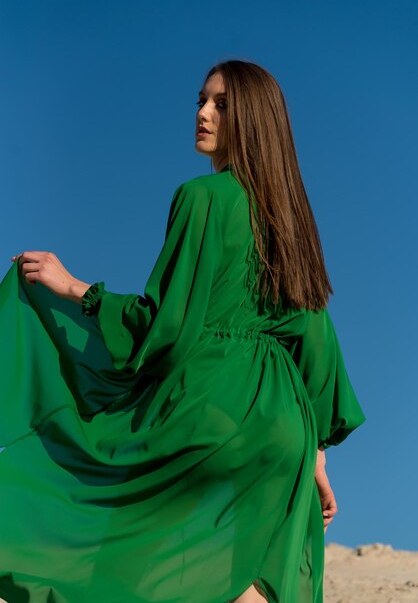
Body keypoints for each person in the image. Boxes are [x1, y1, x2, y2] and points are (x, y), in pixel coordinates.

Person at [0, 60, 366, 603]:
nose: (202, 114)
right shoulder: (291, 225)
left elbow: (163, 325)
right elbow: (317, 341)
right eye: (200, 101)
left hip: (211, 404)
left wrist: (75, 287)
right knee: (247, 578)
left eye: (220, 104)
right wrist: (314, 456)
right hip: (283, 424)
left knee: (115, 515)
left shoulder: (203, 198)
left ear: (254, 119)